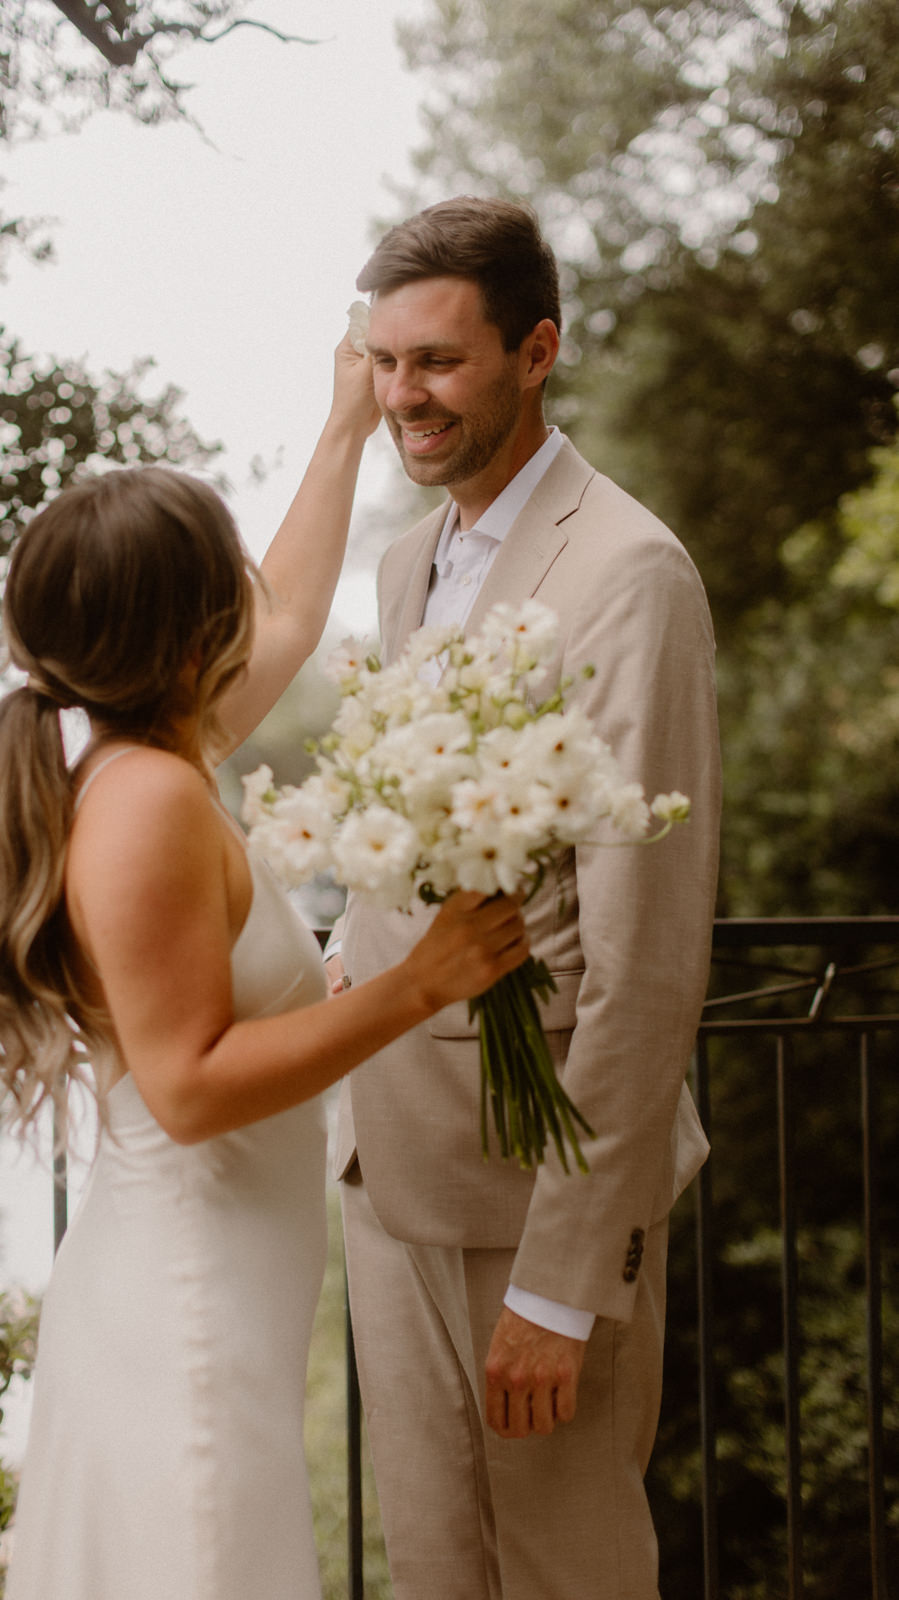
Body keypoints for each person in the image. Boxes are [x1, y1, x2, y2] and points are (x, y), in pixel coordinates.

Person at [0, 330, 532, 1600]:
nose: (245, 599)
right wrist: (417, 984)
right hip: (184, 1313)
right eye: (223, 576)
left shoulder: (152, 751)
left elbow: (295, 605)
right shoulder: (148, 800)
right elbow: (191, 1082)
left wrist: (339, 428)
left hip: (214, 1295)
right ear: (185, 618)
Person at [325, 197, 723, 1600]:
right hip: (390, 1174)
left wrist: (562, 1281)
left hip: (531, 1195)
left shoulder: (628, 573)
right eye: (383, 363)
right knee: (437, 1571)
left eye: (435, 361)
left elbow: (646, 958)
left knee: (566, 1576)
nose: (402, 398)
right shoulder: (402, 565)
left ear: (533, 350)